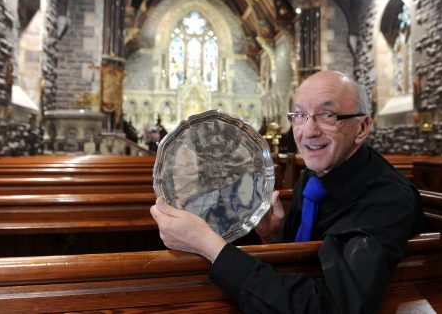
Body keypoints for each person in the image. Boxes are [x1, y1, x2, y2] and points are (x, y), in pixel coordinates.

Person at [150, 70, 423, 313]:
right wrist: (274, 237)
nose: (308, 131)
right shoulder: (313, 178)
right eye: (300, 115)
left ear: (362, 128)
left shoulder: (387, 200)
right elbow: (302, 263)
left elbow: (333, 306)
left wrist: (208, 245)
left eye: (327, 115)